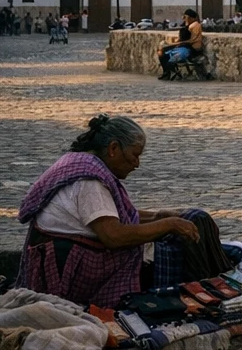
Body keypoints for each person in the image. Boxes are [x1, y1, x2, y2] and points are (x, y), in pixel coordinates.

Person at [15, 114, 200, 307]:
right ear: (113, 148)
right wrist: (167, 224)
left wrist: (157, 216)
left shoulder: (81, 163)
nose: (137, 164)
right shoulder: (89, 181)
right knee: (170, 253)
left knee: (193, 220)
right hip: (69, 267)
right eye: (134, 155)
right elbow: (113, 236)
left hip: (64, 253)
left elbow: (107, 214)